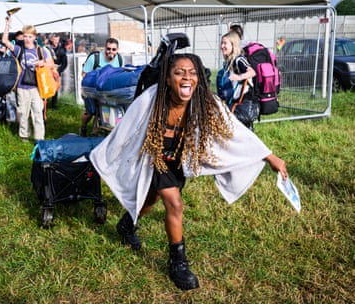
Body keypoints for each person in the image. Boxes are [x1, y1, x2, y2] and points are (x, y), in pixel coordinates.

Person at [89, 53, 288, 290]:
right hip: (153, 156)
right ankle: (178, 263)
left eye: (192, 72)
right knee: (175, 204)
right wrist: (103, 159)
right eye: (179, 72)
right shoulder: (151, 100)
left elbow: (234, 130)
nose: (187, 77)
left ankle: (127, 224)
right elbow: (125, 134)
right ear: (167, 78)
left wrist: (269, 156)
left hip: (178, 160)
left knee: (151, 198)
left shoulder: (205, 101)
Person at [2, 16, 54, 143]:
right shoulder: (19, 50)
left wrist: (43, 63)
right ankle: (24, 137)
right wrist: (8, 24)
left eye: (30, 36)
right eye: (25, 36)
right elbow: (5, 41)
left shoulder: (41, 50)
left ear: (34, 37)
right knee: (23, 114)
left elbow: (52, 65)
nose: (27, 39)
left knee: (38, 114)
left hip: (37, 87)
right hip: (22, 87)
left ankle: (39, 139)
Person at [79, 37, 123, 137]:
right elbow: (84, 75)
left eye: (113, 49)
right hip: (90, 89)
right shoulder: (95, 58)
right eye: (108, 49)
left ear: (117, 50)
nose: (110, 51)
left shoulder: (120, 59)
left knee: (101, 111)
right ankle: (83, 126)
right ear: (105, 48)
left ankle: (96, 133)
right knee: (90, 112)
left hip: (107, 91)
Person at [218, 31, 257, 130]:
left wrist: (239, 77)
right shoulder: (229, 61)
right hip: (235, 102)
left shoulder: (239, 59)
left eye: (225, 43)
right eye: (221, 43)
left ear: (233, 45)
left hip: (244, 102)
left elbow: (252, 72)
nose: (222, 46)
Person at [47, 33, 68, 110]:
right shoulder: (47, 49)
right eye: (55, 39)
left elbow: (65, 64)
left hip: (56, 71)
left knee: (55, 88)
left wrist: (58, 71)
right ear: (51, 39)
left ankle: (54, 105)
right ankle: (44, 103)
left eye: (57, 40)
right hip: (47, 71)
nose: (56, 41)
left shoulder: (61, 50)